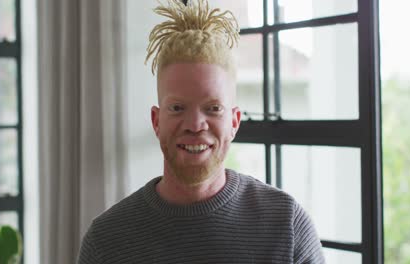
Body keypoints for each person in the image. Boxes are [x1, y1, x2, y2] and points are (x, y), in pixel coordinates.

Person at [78, 0, 325, 263]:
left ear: (234, 121)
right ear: (156, 120)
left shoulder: (287, 227)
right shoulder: (106, 241)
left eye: (213, 108)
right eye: (177, 107)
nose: (195, 125)